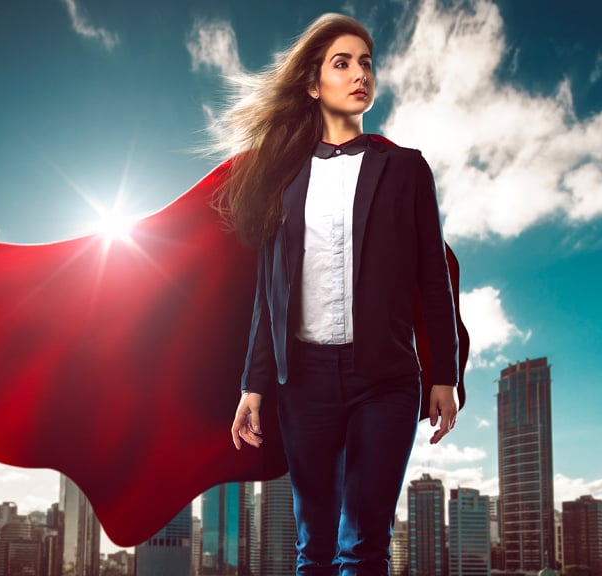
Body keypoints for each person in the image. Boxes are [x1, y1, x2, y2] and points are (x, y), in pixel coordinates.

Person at [221, 14, 466, 576]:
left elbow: (433, 278)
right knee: (314, 550)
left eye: (366, 63)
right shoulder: (281, 179)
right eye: (343, 63)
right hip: (303, 382)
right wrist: (254, 384)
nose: (360, 74)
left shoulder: (405, 169)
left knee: (365, 547)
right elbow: (269, 294)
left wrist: (444, 374)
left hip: (385, 380)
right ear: (313, 84)